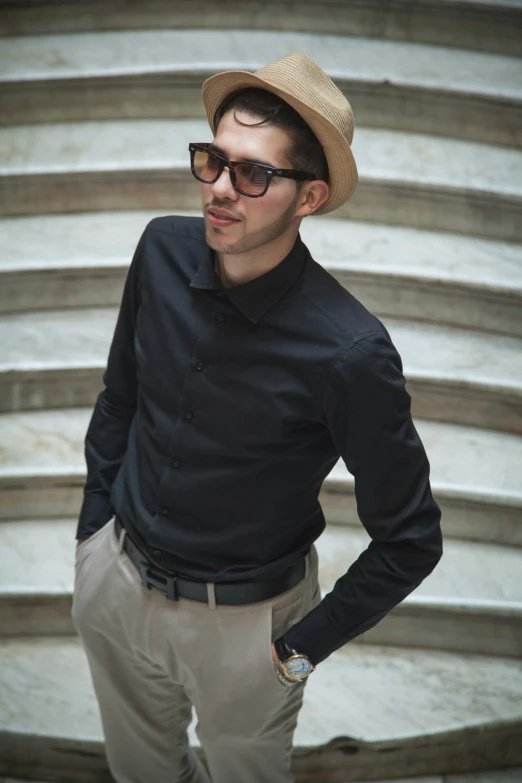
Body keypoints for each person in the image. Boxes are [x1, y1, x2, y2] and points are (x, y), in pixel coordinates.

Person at [72, 51, 443, 783]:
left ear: (309, 198)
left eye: (252, 174)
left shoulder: (351, 351)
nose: (219, 189)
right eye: (213, 160)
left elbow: (411, 537)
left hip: (247, 629)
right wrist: (93, 537)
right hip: (116, 583)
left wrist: (295, 652)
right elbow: (120, 396)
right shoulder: (159, 250)